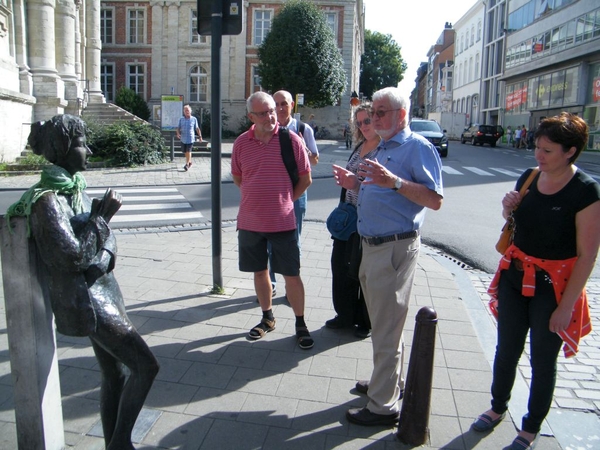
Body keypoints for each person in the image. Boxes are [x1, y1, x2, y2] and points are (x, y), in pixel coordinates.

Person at [5, 115, 159, 450]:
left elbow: (105, 242)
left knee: (116, 372)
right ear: (62, 148)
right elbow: (71, 257)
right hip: (88, 302)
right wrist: (102, 218)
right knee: (145, 366)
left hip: (104, 289)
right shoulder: (47, 200)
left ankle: (113, 442)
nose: (88, 150)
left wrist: (103, 255)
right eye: (80, 144)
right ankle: (120, 443)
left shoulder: (72, 190)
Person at [472, 113, 600, 450]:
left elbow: (587, 255)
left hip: (553, 288)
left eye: (547, 150)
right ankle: (497, 407)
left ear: (570, 151)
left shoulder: (585, 191)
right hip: (516, 277)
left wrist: (566, 307)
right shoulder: (529, 177)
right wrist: (507, 207)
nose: (538, 156)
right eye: (537, 148)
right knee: (506, 350)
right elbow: (512, 222)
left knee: (543, 360)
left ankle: (530, 427)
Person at [333, 87, 443, 426]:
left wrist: (394, 182)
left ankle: (382, 406)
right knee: (384, 324)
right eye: (374, 112)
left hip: (393, 248)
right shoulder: (382, 145)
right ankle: (388, 384)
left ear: (402, 115)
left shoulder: (417, 148)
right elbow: (376, 188)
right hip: (372, 245)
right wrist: (355, 182)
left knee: (386, 328)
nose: (375, 118)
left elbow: (434, 199)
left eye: (382, 112)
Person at [231, 92, 315, 350]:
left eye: (272, 111)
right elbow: (238, 177)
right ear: (251, 117)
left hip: (283, 221)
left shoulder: (291, 140)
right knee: (259, 271)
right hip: (250, 222)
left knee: (292, 275)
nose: (271, 116)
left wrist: (285, 200)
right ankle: (267, 318)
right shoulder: (241, 143)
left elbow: (305, 178)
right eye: (263, 113)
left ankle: (300, 324)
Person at [327, 103, 378, 339]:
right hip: (349, 217)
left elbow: (380, 188)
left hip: (368, 220)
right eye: (359, 123)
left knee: (362, 271)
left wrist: (354, 183)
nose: (363, 126)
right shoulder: (360, 146)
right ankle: (344, 315)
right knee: (340, 266)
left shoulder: (384, 149)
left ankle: (364, 321)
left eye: (367, 120)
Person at [268, 90, 319, 295]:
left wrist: (305, 151)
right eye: (276, 104)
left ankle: (292, 286)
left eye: (284, 104)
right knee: (269, 241)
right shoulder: (266, 128)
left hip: (297, 192)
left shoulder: (302, 129)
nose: (280, 108)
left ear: (292, 106)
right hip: (272, 194)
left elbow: (315, 160)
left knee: (292, 241)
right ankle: (270, 283)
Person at [176, 104, 202, 171]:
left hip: (190, 138)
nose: (186, 111)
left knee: (188, 151)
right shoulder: (181, 119)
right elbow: (178, 128)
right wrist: (178, 133)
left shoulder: (194, 119)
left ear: (190, 111)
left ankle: (187, 164)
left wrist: (200, 136)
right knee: (185, 151)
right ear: (184, 112)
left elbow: (197, 128)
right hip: (183, 138)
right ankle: (190, 161)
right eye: (185, 110)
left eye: (187, 110)